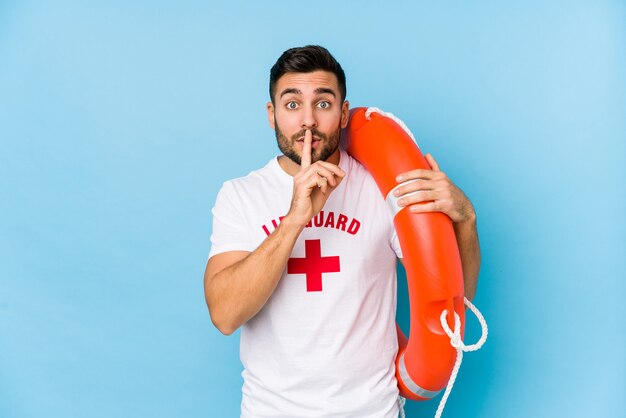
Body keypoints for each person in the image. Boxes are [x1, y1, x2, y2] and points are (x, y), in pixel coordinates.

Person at [204, 45, 480, 418]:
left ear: (344, 112)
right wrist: (294, 220)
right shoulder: (240, 195)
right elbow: (225, 314)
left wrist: (465, 220)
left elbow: (451, 298)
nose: (307, 121)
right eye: (291, 104)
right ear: (271, 115)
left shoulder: (384, 190)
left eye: (322, 103)